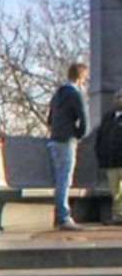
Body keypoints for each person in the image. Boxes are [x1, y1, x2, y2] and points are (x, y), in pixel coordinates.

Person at [47, 62, 89, 231]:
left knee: (59, 179)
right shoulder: (75, 94)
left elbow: (50, 119)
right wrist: (78, 134)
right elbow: (84, 119)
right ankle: (63, 217)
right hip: (67, 140)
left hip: (54, 139)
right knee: (65, 179)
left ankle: (59, 217)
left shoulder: (58, 94)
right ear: (80, 78)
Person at [94, 88, 122, 225]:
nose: (119, 100)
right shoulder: (107, 119)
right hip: (112, 162)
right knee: (116, 192)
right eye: (118, 97)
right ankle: (118, 216)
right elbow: (100, 139)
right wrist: (101, 157)